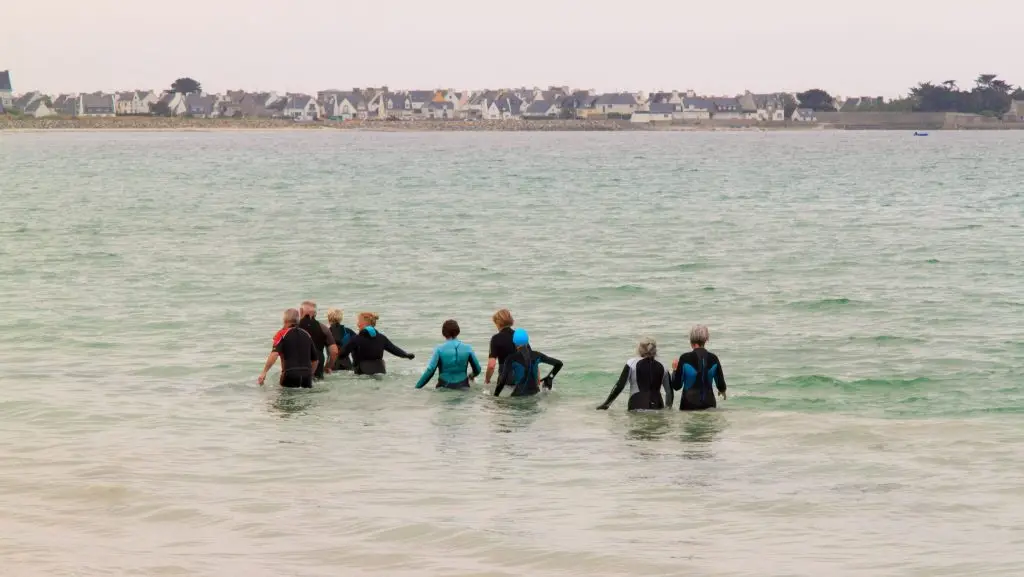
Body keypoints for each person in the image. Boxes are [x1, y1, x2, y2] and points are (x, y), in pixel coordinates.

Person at [597, 337, 674, 411]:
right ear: (655, 350)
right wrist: (668, 410)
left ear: (640, 349)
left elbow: (620, 386)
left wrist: (606, 404)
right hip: (658, 407)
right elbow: (669, 392)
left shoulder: (631, 363)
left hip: (636, 406)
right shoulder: (664, 366)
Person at [336, 312, 415, 376]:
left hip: (362, 373)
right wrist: (406, 355)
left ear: (362, 323)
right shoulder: (382, 338)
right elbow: (395, 350)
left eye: (358, 321)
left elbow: (342, 355)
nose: (357, 324)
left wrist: (342, 345)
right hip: (381, 371)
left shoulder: (356, 339)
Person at [258, 308, 318, 388]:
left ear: (285, 320)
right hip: (307, 376)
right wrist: (310, 374)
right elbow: (315, 360)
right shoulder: (306, 334)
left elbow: (274, 354)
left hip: (290, 375)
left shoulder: (281, 334)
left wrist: (264, 372)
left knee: (284, 399)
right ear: (298, 320)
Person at [671, 325, 727, 410]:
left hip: (688, 406)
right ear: (706, 339)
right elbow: (721, 385)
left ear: (691, 340)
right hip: (709, 405)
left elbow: (676, 386)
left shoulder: (685, 358)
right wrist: (722, 390)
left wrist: (675, 370)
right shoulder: (713, 358)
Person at [415, 319, 482, 390]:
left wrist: (417, 387)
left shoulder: (439, 349)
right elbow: (477, 369)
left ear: (443, 333)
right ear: (458, 331)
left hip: (444, 385)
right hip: (464, 385)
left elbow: (430, 370)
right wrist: (471, 376)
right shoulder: (468, 348)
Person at [494, 328, 563, 397]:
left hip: (517, 397)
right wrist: (550, 377)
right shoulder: (537, 355)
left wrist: (495, 397)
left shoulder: (511, 359)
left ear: (514, 342)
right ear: (527, 342)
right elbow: (559, 363)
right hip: (535, 394)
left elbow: (502, 381)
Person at [298, 300, 338, 380]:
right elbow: (334, 352)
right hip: (318, 363)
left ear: (300, 311)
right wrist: (327, 367)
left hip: (298, 364)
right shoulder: (324, 328)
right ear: (315, 313)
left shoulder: (293, 328)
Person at [485, 308, 516, 385]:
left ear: (497, 323)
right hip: (524, 378)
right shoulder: (519, 335)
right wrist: (537, 379)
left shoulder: (496, 338)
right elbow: (532, 358)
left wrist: (487, 380)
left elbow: (491, 365)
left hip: (506, 380)